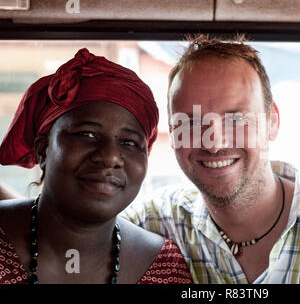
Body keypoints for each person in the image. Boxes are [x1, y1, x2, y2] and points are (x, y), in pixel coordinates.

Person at [1, 36, 300, 284]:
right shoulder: (156, 226)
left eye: (235, 119)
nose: (213, 142)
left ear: (272, 123)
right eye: (190, 122)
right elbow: (64, 217)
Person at [0, 48, 192, 284]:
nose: (110, 156)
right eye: (87, 134)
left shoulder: (164, 267)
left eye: (129, 142)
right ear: (43, 149)